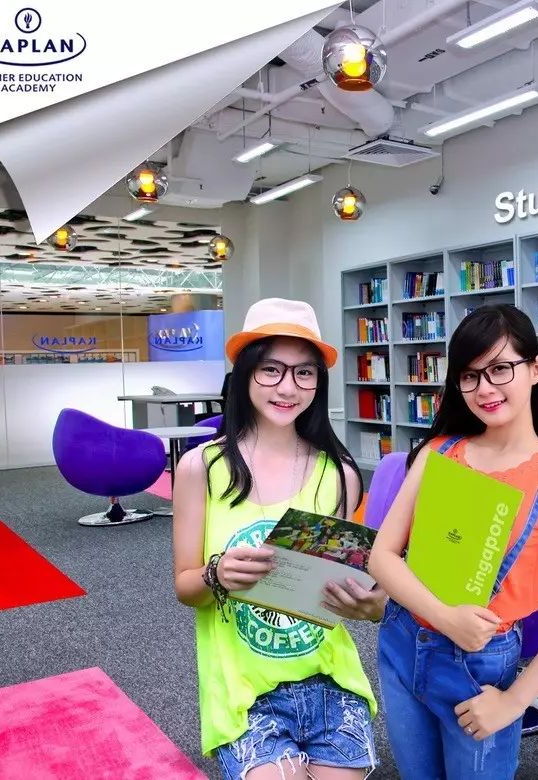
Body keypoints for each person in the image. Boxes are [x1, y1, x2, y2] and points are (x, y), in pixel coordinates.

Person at [368, 304, 538, 780]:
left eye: (500, 369)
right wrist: (445, 617)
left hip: (481, 664)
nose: (485, 389)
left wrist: (515, 701)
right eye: (470, 376)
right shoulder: (439, 453)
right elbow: (382, 556)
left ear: (536, 369)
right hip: (403, 641)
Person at [172, 298, 385, 780]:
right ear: (245, 374)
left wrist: (371, 604)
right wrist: (216, 574)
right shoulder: (201, 468)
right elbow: (185, 587)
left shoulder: (341, 475)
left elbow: (345, 587)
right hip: (244, 693)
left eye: (304, 373)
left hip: (330, 681)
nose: (288, 387)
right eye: (271, 369)